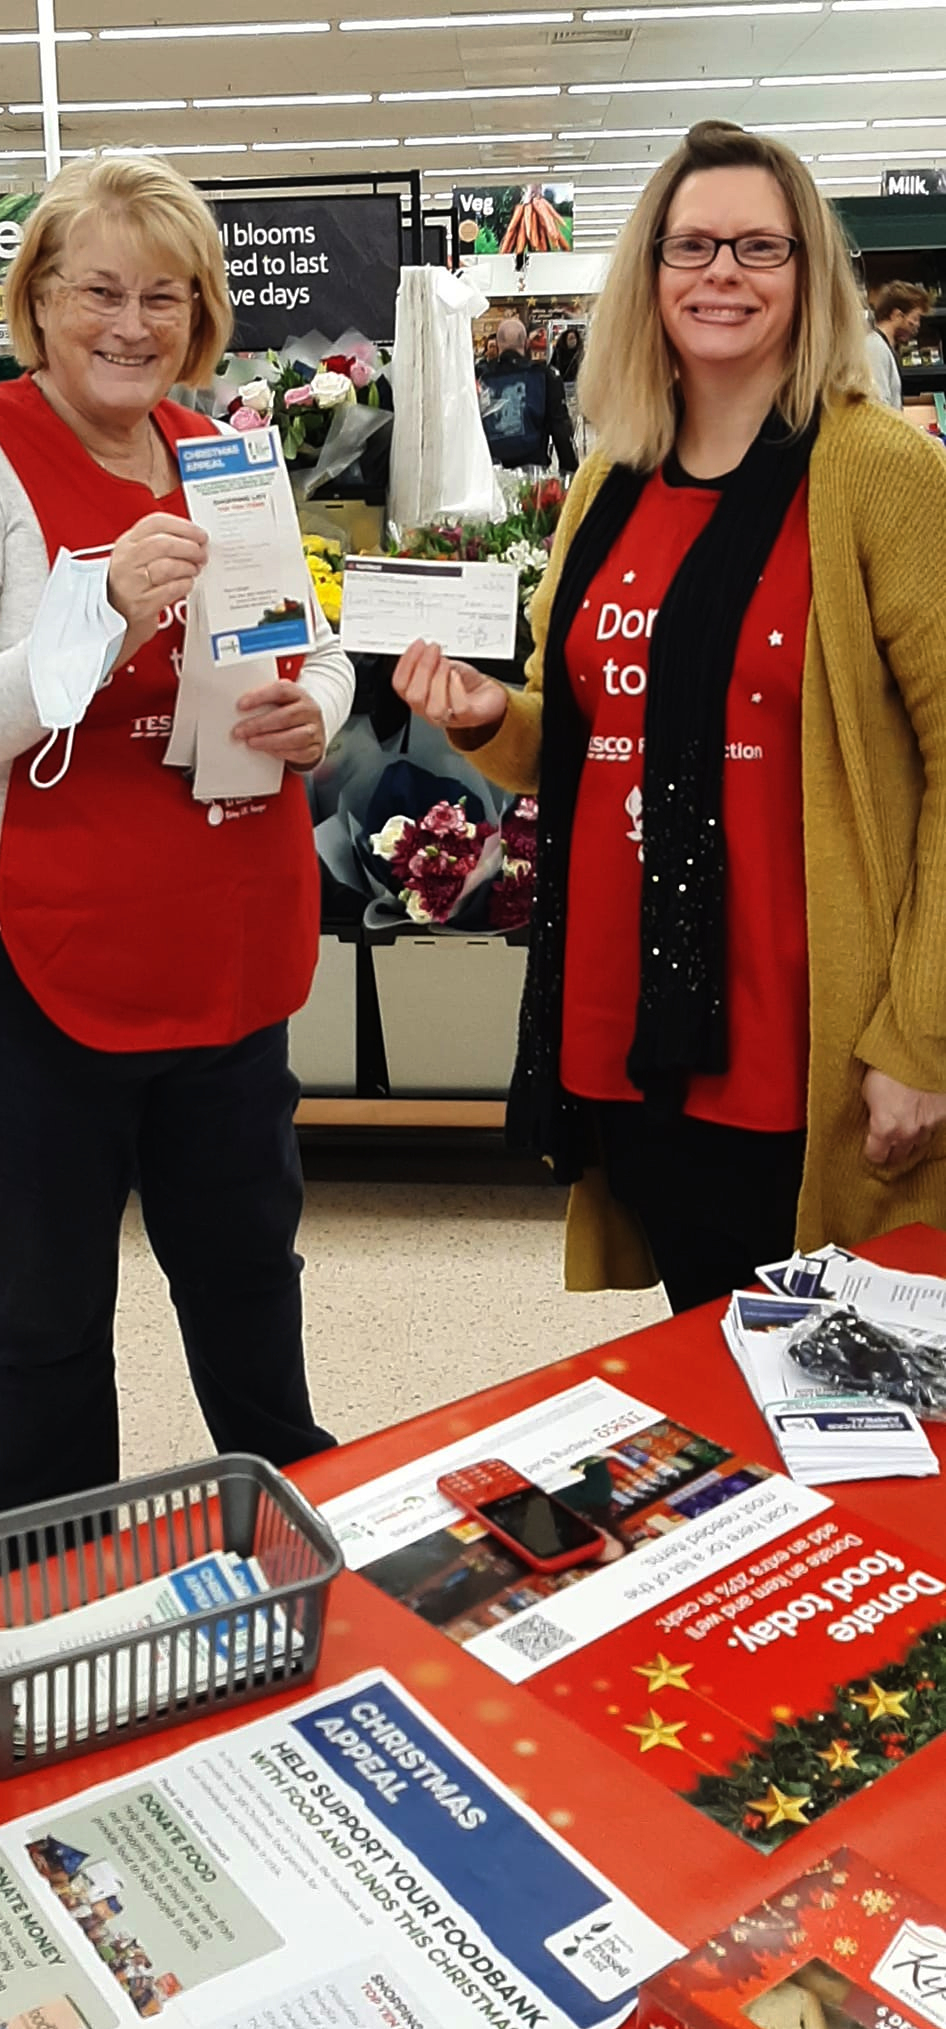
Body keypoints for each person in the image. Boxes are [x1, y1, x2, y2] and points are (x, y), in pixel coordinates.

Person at [0, 156, 355, 1512]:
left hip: (212, 936)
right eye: (98, 291)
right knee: (45, 1311)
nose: (130, 324)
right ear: (36, 301)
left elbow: (300, 650)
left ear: (200, 313)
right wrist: (99, 615)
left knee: (249, 1268)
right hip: (1, 957)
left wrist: (314, 703)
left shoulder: (224, 457)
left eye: (163, 294)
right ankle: (56, 1596)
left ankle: (285, 1545)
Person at [392, 120, 946, 1313]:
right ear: (649, 274)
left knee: (833, 1393)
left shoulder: (875, 472)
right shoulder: (612, 476)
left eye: (760, 245)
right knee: (703, 1348)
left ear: (809, 274)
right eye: (691, 245)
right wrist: (493, 716)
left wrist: (922, 1037)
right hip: (628, 1023)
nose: (722, 274)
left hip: (810, 1042)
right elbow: (584, 739)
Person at [478, 315, 578, 473]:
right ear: (526, 344)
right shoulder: (545, 376)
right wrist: (570, 472)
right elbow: (560, 430)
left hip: (488, 473)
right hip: (533, 472)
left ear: (497, 345)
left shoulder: (480, 377)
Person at [864, 280, 931, 411]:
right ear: (897, 315)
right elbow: (879, 407)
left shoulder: (883, 347)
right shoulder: (875, 347)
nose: (917, 326)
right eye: (915, 318)